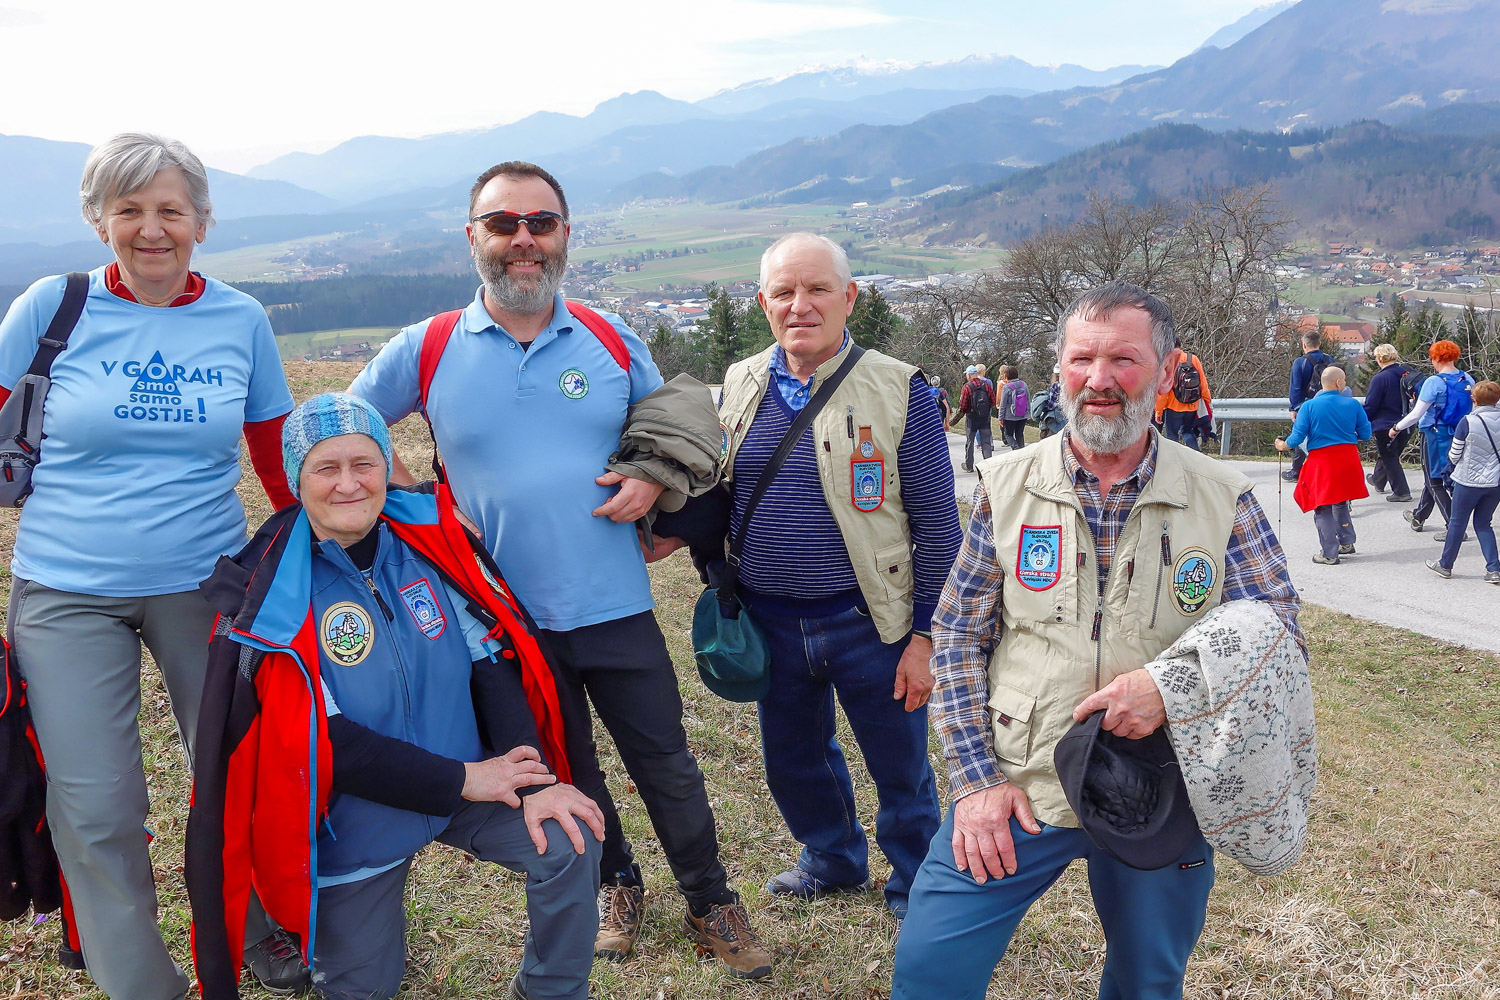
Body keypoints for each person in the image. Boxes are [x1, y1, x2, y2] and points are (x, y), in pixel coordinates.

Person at [349, 161, 770, 977]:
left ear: (564, 234)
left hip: (613, 605)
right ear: (473, 237)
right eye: (503, 223)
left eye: (540, 223)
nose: (523, 239)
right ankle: (616, 884)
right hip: (502, 624)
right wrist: (409, 498)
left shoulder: (609, 338)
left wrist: (652, 476)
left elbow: (678, 423)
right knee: (566, 770)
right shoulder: (428, 347)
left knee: (667, 766)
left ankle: (711, 900)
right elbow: (344, 427)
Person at [891, 281, 1304, 1000]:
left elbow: (1279, 636)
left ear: (1167, 370)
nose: (1100, 380)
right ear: (1060, 368)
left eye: (1124, 360)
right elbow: (957, 635)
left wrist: (1171, 689)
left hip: (1161, 786)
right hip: (1020, 779)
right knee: (930, 974)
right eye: (1082, 359)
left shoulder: (1222, 495)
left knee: (1147, 983)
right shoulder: (1006, 484)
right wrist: (976, 782)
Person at [0, 133, 301, 1000]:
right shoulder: (51, 306)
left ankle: (256, 927)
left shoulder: (240, 320)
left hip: (206, 584)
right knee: (96, 805)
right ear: (100, 221)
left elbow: (273, 452)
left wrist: (311, 557)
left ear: (202, 220)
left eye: (171, 209)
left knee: (236, 772)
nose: (152, 229)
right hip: (65, 590)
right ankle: (138, 979)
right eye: (128, 209)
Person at [187, 394, 604, 1000]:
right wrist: (465, 778)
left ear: (387, 466)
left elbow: (492, 666)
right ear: (296, 481)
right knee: (364, 988)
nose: (348, 484)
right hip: (352, 823)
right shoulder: (274, 597)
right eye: (326, 468)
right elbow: (329, 743)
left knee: (568, 837)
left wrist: (532, 780)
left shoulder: (431, 547)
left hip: (468, 786)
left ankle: (551, 992)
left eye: (364, 463)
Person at [683, 232, 961, 918]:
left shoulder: (900, 389)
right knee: (794, 760)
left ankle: (916, 881)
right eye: (784, 292)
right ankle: (832, 859)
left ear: (849, 298)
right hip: (770, 620)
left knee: (900, 767)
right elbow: (717, 491)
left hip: (871, 623)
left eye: (817, 289)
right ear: (764, 302)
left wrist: (926, 637)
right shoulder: (741, 384)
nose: (799, 305)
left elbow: (939, 528)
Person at [1275, 366, 1371, 565]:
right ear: (1338, 382)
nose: (1345, 384)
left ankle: (1329, 552)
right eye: (1344, 381)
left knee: (1322, 505)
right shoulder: (1353, 404)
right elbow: (1366, 434)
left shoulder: (1309, 407)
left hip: (1323, 460)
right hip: (1348, 458)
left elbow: (1297, 437)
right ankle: (1347, 541)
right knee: (1341, 499)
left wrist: (1282, 445)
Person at [1390, 340, 1475, 540]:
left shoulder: (1434, 382)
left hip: (1434, 434)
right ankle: (1419, 516)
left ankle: (1454, 527)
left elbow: (1416, 414)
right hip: (1459, 433)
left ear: (1436, 358)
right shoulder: (1467, 379)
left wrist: (1396, 428)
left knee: (1434, 480)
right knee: (1439, 475)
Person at [1427, 380, 1500, 584]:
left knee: (1457, 523)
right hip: (1494, 482)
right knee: (1483, 523)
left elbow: (1454, 454)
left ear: (1474, 400)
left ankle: (1445, 564)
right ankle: (1494, 569)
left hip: (1468, 481)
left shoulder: (1468, 422)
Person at [1362, 343, 1414, 502]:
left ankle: (1401, 492)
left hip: (1385, 424)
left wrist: (1361, 421)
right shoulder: (1407, 372)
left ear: (1379, 358)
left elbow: (1371, 405)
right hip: (1407, 422)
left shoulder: (1380, 378)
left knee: (1389, 457)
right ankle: (1378, 480)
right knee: (1389, 453)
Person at [1284, 330, 1333, 481]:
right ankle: (1327, 468)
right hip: (1328, 404)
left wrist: (1294, 408)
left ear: (1304, 345)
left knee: (1301, 433)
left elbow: (1296, 388)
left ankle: (1296, 470)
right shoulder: (1329, 359)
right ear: (1319, 343)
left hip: (1306, 405)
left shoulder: (1300, 362)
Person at [1154, 338, 1210, 451]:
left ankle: (1174, 458)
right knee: (1188, 432)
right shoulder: (1193, 359)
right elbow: (1203, 383)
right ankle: (1195, 456)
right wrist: (1207, 400)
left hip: (1173, 407)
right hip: (1192, 405)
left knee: (1172, 436)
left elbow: (1164, 390)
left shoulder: (1168, 361)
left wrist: (1158, 410)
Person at [951, 364, 995, 471]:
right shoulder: (986, 385)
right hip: (985, 417)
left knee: (970, 441)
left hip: (971, 418)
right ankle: (989, 466)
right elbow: (992, 401)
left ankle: (969, 465)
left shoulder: (967, 387)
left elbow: (963, 405)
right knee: (986, 442)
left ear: (969, 375)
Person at [997, 364, 1030, 450]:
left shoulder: (1007, 387)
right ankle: (1022, 451)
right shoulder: (1024, 384)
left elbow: (1003, 404)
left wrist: (1000, 418)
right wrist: (1028, 413)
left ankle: (1016, 449)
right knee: (1019, 434)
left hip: (1010, 416)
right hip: (1022, 415)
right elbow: (1028, 400)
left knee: (1008, 434)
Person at [1033, 363, 1067, 439]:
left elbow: (1051, 405)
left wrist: (1043, 406)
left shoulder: (1056, 385)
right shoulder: (1069, 385)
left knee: (1050, 440)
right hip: (1066, 418)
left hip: (1055, 419)